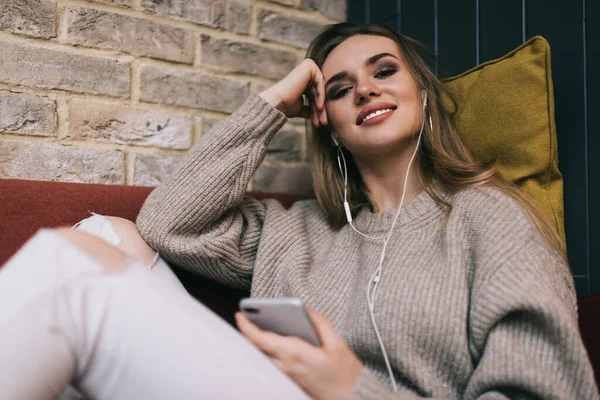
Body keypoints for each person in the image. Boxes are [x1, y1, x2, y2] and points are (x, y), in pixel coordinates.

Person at [0, 22, 597, 400]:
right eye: (339, 89)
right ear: (327, 124)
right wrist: (270, 105)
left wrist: (347, 387)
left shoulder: (490, 217)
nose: (364, 90)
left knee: (65, 269)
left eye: (384, 72)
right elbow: (167, 224)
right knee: (106, 236)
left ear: (426, 96)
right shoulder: (298, 230)